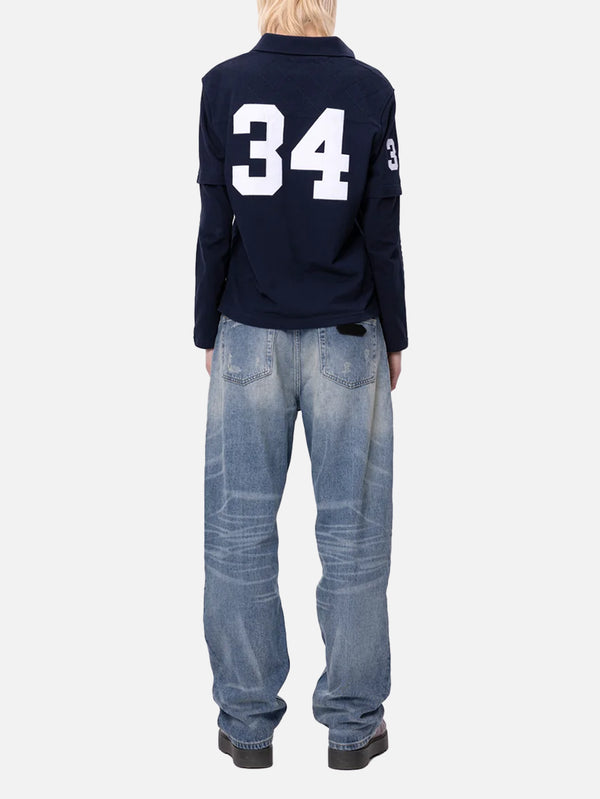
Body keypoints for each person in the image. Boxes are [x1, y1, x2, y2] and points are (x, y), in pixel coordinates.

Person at [194, 0, 408, 770]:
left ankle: (246, 725)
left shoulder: (222, 86)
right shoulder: (370, 90)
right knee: (354, 537)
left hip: (247, 329)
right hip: (349, 334)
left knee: (237, 532)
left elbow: (215, 220)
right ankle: (353, 728)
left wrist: (205, 328)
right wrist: (396, 334)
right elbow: (382, 227)